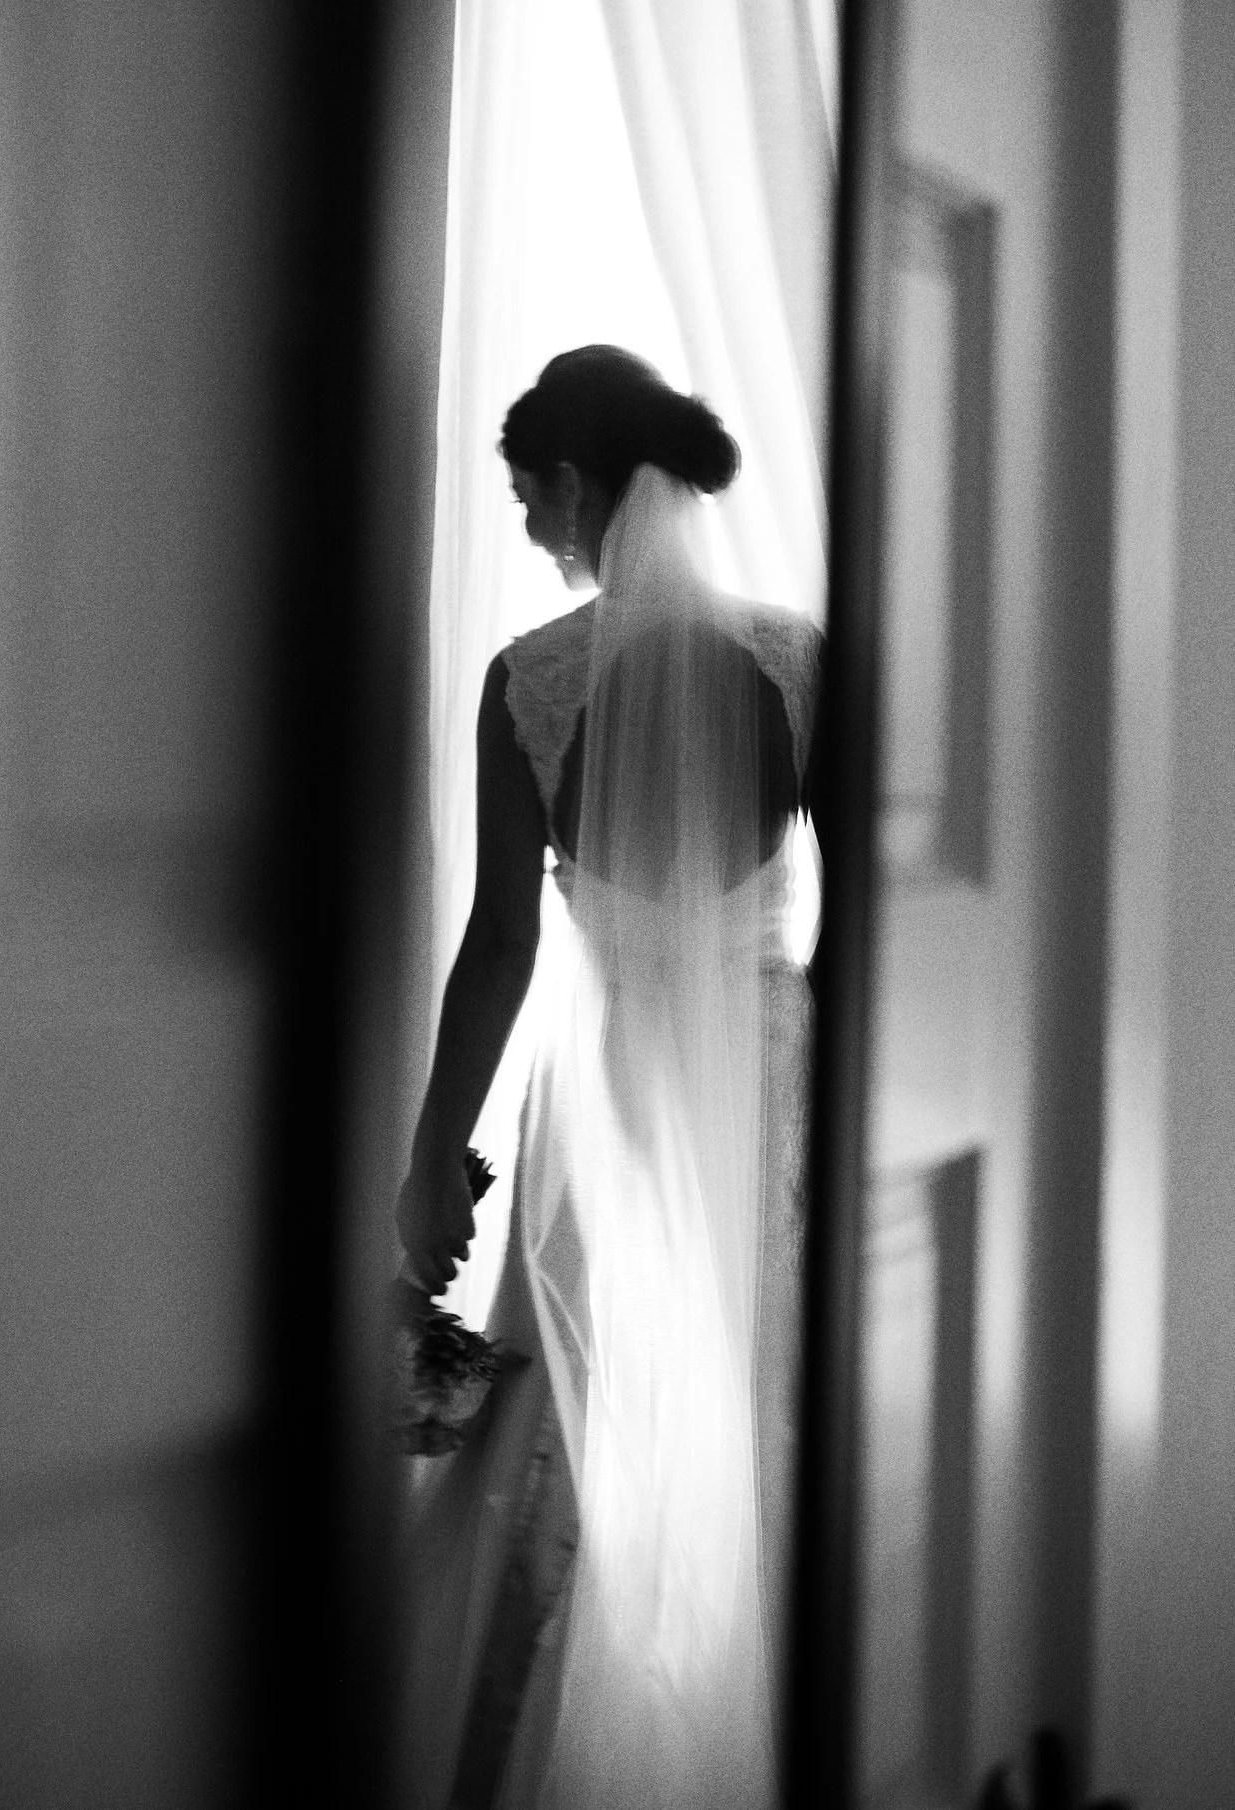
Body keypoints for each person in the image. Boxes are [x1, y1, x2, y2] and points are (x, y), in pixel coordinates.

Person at [396, 347, 821, 1810]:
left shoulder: (535, 682)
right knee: (773, 1411)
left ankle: (515, 1757)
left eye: (526, 496)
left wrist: (429, 1152)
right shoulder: (801, 659)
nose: (527, 527)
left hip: (611, 1089)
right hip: (785, 1079)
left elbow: (503, 943)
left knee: (560, 1424)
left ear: (575, 482)